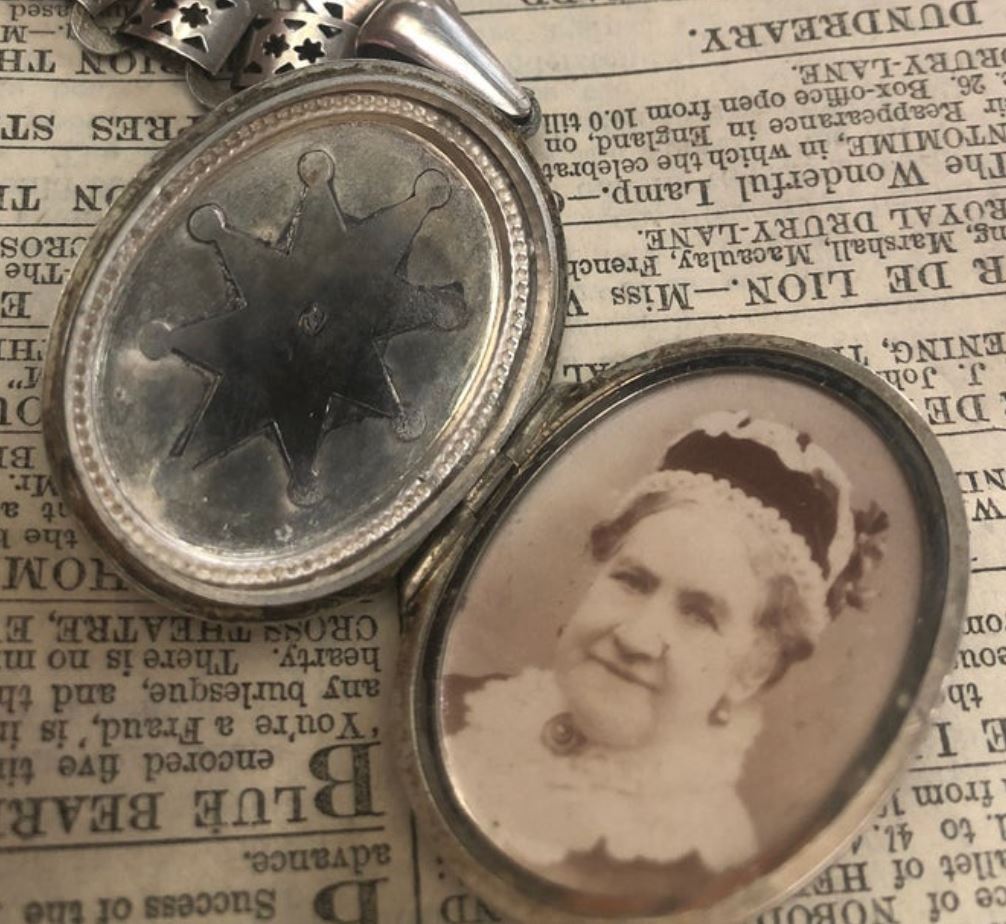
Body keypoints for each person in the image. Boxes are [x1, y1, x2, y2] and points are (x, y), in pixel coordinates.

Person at [442, 410, 887, 909]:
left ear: (753, 670)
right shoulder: (461, 704)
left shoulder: (693, 868)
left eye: (699, 614)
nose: (636, 638)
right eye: (632, 581)